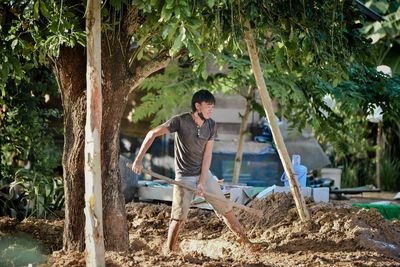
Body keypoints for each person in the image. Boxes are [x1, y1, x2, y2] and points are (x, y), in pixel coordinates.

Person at [132, 89, 249, 252]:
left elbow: (208, 155)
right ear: (197, 106)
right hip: (184, 177)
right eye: (208, 106)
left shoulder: (211, 125)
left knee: (226, 210)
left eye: (212, 106)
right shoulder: (180, 121)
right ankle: (170, 252)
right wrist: (138, 160)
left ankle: (247, 243)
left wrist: (202, 182)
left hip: (204, 174)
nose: (211, 109)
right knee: (178, 218)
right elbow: (152, 134)